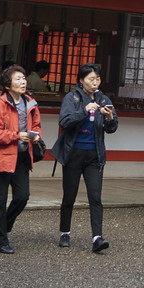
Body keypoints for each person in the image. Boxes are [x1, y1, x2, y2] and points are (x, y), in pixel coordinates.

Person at [56, 64, 117, 253]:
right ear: (81, 80)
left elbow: (112, 127)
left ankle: (97, 238)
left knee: (95, 197)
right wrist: (84, 110)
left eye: (97, 79)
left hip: (94, 155)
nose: (95, 82)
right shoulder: (71, 98)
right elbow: (64, 121)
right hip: (74, 153)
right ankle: (65, 232)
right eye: (91, 78)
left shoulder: (103, 99)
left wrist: (109, 118)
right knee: (69, 196)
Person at [0, 64, 42, 253]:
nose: (23, 81)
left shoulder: (31, 103)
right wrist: (18, 135)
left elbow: (37, 125)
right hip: (1, 158)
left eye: (24, 78)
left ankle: (4, 225)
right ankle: (0, 241)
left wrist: (36, 136)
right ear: (8, 85)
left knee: (22, 197)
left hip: (23, 156)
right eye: (18, 78)